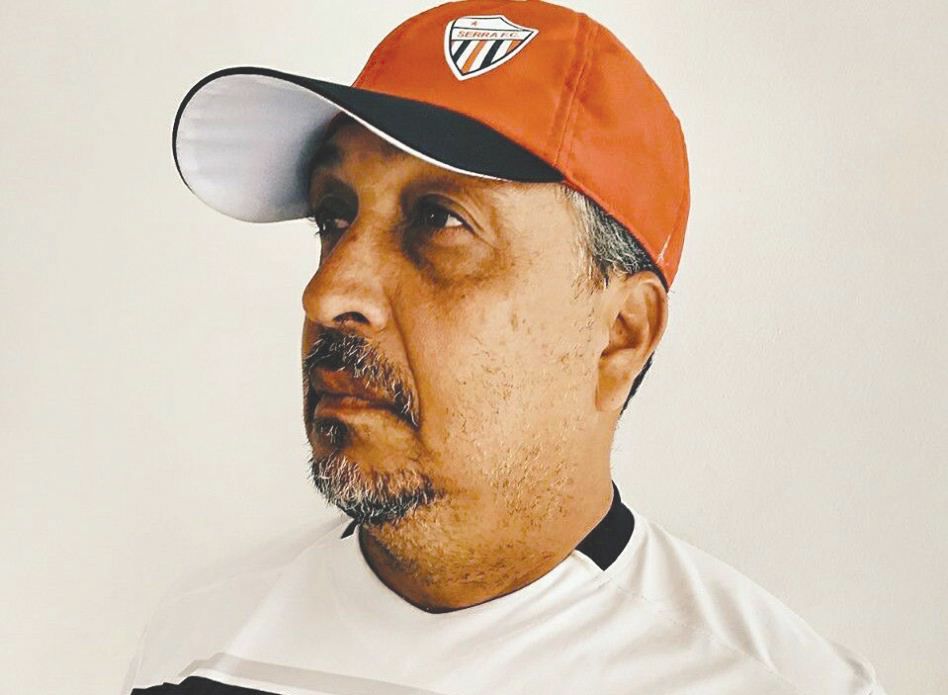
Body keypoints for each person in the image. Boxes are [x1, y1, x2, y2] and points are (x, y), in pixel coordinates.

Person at [124, 1, 887, 693]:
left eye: (439, 221)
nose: (328, 293)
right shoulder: (199, 645)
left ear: (619, 335)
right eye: (333, 216)